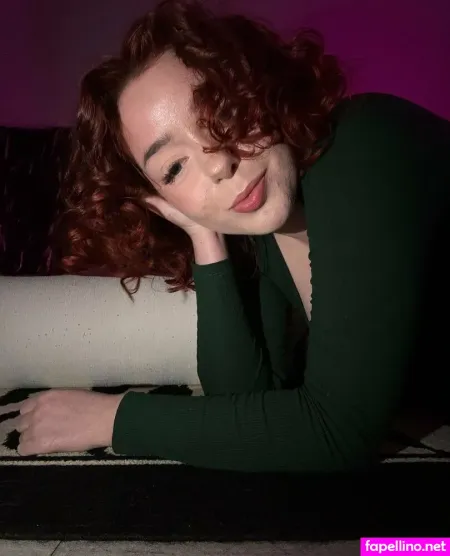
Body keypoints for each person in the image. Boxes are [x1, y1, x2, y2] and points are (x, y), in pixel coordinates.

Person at [16, 0, 450, 472]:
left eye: (218, 111)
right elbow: (244, 395)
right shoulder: (267, 230)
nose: (219, 164)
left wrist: (113, 419)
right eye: (175, 168)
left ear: (259, 86)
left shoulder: (362, 148)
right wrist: (203, 232)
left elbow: (338, 428)